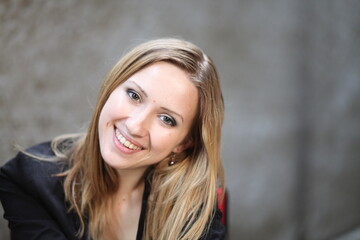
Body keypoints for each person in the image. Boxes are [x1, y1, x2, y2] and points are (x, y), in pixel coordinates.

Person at [0, 38, 226, 240]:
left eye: (167, 119)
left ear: (184, 143)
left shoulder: (196, 209)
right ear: (111, 87)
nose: (135, 125)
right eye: (134, 95)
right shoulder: (30, 179)